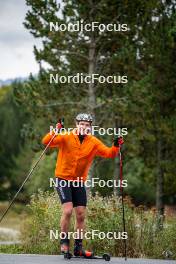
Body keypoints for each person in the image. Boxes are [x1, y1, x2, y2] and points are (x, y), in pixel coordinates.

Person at [42, 113, 124, 257]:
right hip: (63, 178)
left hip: (79, 181)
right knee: (67, 211)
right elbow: (46, 141)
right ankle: (64, 243)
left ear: (90, 127)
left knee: (80, 215)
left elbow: (109, 153)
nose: (84, 127)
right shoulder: (66, 136)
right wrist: (56, 130)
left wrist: (116, 146)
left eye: (87, 125)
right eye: (81, 124)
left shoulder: (93, 141)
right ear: (76, 124)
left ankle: (78, 248)